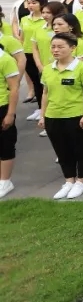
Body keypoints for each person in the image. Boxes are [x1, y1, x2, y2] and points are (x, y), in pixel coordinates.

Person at [38, 33, 83, 199]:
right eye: (53, 47)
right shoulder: (48, 69)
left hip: (75, 115)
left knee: (79, 148)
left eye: (60, 47)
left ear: (72, 48)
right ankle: (69, 180)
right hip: (53, 115)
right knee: (61, 149)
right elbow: (45, 93)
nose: (55, 50)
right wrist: (43, 115)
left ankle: (82, 180)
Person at [0, 40, 23, 198]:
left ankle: (5, 181)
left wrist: (10, 114)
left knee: (5, 144)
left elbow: (14, 89)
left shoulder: (6, 59)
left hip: (2, 106)